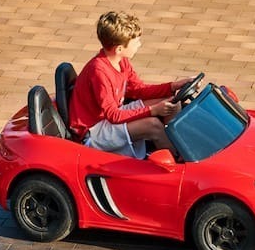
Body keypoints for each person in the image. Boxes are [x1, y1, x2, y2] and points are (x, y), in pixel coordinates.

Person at [68, 11, 195, 158]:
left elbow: (138, 90)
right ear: (119, 49)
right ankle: (180, 164)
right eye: (136, 42)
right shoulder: (99, 72)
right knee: (153, 126)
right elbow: (113, 115)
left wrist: (173, 86)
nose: (139, 45)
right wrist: (153, 110)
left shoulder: (121, 61)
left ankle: (183, 147)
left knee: (172, 102)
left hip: (110, 117)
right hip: (93, 131)